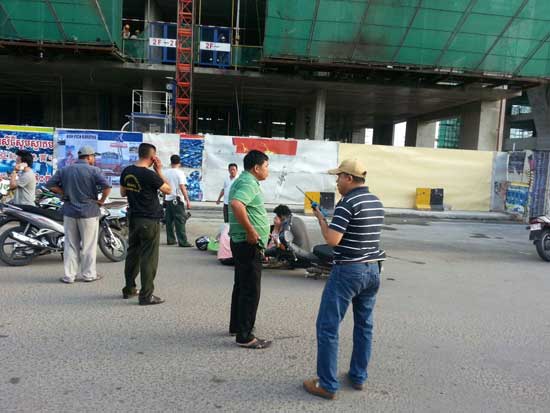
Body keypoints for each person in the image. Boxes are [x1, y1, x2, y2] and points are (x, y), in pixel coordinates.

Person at [303, 158, 385, 400]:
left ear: (349, 178)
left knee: (327, 327)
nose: (337, 182)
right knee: (364, 325)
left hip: (349, 271)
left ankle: (327, 385)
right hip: (373, 270)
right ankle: (358, 376)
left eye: (339, 177)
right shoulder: (375, 201)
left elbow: (332, 241)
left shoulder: (347, 203)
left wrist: (321, 220)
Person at [46, 146, 111, 284]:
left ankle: (69, 276)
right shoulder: (94, 170)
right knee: (88, 246)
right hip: (89, 212)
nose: (94, 159)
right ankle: (88, 275)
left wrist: (63, 193)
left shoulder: (65, 170)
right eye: (93, 156)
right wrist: (101, 201)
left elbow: (50, 185)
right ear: (89, 157)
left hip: (69, 211)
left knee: (70, 244)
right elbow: (107, 187)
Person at [228, 150, 271, 349]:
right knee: (251, 290)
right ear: (256, 168)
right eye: (266, 166)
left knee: (241, 285)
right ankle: (245, 336)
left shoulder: (241, 180)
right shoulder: (248, 183)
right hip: (248, 243)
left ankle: (238, 326)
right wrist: (252, 231)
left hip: (241, 242)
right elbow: (237, 204)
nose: (268, 170)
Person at [120, 143, 171, 306]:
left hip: (133, 218)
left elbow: (122, 192)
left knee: (133, 254)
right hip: (149, 219)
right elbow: (168, 190)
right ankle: (146, 295)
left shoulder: (127, 171)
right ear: (152, 157)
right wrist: (159, 170)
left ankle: (129, 289)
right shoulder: (150, 175)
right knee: (148, 258)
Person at [265, 204, 312, 269]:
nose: (276, 217)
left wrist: (274, 245)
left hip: (298, 257)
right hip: (306, 252)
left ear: (281, 216)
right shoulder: (297, 219)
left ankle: (285, 262)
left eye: (277, 216)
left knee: (273, 250)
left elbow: (284, 246)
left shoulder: (287, 224)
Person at [164, 154, 192, 247]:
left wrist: (164, 198)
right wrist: (187, 200)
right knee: (180, 221)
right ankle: (183, 241)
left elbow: (164, 186)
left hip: (168, 199)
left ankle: (170, 239)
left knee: (169, 221)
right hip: (177, 199)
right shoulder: (180, 173)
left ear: (171, 162)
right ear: (179, 163)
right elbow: (182, 187)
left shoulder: (166, 172)